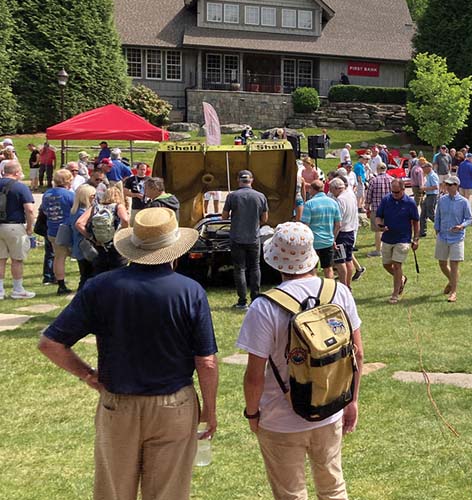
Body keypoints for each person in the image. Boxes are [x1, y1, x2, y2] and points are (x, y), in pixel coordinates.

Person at [38, 207, 218, 500]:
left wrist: (87, 375)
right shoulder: (190, 291)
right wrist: (209, 409)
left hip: (117, 404)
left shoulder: (100, 287)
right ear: (175, 249)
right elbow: (206, 362)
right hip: (173, 405)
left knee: (113, 492)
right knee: (168, 493)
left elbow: (51, 343)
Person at [237, 221, 363, 500]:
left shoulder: (264, 306)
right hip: (330, 407)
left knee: (290, 493)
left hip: (280, 418)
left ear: (274, 260)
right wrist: (352, 400)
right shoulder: (338, 291)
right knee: (333, 487)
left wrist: (252, 413)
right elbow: (357, 353)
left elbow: (254, 374)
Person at [223, 170, 269, 309]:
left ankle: (242, 301)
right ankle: (255, 298)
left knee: (240, 269)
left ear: (238, 180)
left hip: (237, 237)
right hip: (254, 237)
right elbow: (265, 218)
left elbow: (224, 216)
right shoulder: (260, 196)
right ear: (251, 180)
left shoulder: (232, 196)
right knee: (255, 267)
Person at [375, 179, 419, 304]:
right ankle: (402, 279)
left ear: (403, 189)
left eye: (397, 192)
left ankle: (395, 294)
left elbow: (416, 222)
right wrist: (379, 224)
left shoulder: (410, 203)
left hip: (403, 238)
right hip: (388, 237)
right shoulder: (386, 200)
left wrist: (416, 239)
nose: (394, 194)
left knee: (397, 264)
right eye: (392, 192)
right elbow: (379, 216)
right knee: (386, 264)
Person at [0, 160, 36, 299]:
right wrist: (29, 227)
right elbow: (29, 209)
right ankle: (17, 289)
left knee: (0, 259)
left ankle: (0, 290)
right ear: (16, 172)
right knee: (17, 259)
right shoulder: (20, 187)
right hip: (14, 225)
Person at [77, 185, 130, 275]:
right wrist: (122, 231)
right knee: (118, 272)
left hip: (99, 244)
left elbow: (79, 223)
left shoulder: (95, 207)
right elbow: (125, 219)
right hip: (115, 245)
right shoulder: (118, 206)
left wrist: (91, 237)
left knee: (100, 272)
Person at [434, 176, 472, 303]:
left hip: (457, 237)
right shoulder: (442, 200)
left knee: (454, 264)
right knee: (442, 263)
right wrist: (437, 229)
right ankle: (452, 280)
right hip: (443, 236)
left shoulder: (463, 202)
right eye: (447, 185)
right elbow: (438, 215)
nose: (448, 187)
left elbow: (469, 218)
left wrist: (461, 226)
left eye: (450, 185)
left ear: (456, 186)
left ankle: (453, 292)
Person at [42, 169, 76, 295]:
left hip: (52, 229)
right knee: (77, 254)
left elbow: (45, 211)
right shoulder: (70, 195)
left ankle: (60, 283)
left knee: (58, 257)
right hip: (67, 229)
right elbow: (75, 211)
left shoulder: (47, 194)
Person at [301, 180, 341, 280]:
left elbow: (305, 225)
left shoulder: (309, 204)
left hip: (313, 242)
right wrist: (333, 238)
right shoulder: (333, 203)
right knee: (328, 269)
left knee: (312, 269)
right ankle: (330, 290)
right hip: (328, 241)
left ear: (312, 190)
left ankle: (315, 290)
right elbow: (338, 224)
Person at [330, 178, 361, 287]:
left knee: (340, 262)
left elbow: (338, 222)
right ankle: (348, 285)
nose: (331, 192)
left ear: (336, 188)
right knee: (348, 260)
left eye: (331, 190)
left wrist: (333, 238)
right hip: (350, 232)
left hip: (341, 234)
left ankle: (344, 285)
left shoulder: (340, 200)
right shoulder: (351, 195)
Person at [69, 184, 96, 290]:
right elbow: (79, 225)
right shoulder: (82, 212)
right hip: (85, 247)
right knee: (87, 276)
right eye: (93, 195)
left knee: (84, 274)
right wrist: (90, 236)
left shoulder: (74, 210)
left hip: (78, 246)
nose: (95, 197)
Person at [365, 163, 392, 257]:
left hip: (377, 209)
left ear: (377, 169)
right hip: (390, 209)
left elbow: (369, 195)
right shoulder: (392, 179)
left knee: (378, 230)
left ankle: (378, 250)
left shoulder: (374, 180)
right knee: (388, 229)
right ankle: (388, 249)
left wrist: (367, 205)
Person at [419, 160, 439, 238]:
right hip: (428, 196)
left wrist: (425, 188)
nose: (423, 169)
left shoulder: (432, 175)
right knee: (423, 214)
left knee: (431, 215)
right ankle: (422, 232)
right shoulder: (428, 175)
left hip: (432, 196)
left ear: (429, 168)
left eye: (424, 168)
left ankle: (440, 229)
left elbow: (435, 187)